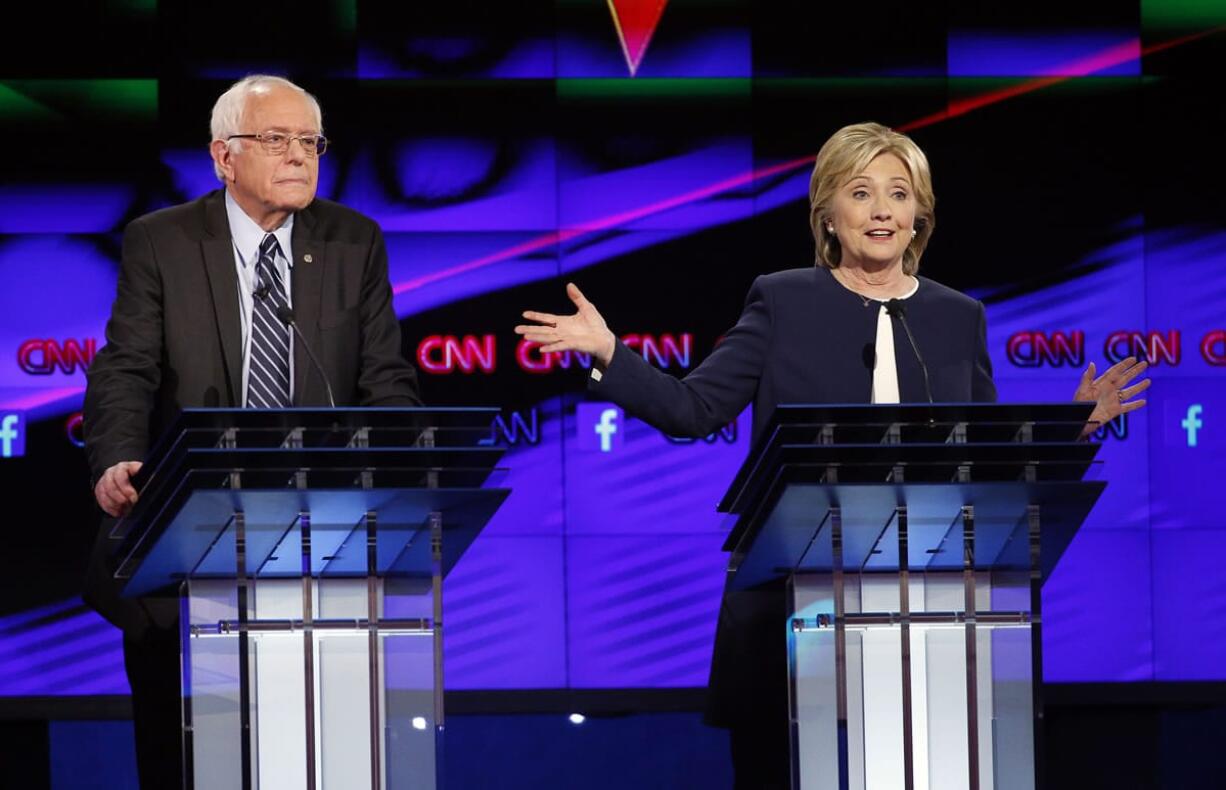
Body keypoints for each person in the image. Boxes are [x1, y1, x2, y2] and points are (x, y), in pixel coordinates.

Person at [516, 121, 1149, 788]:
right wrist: (610, 354)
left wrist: (1070, 428)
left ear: (919, 214)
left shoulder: (958, 316)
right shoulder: (784, 299)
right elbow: (693, 410)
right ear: (828, 214)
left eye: (899, 194)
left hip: (928, 601)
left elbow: (981, 461)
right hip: (791, 596)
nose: (882, 210)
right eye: (861, 192)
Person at [82, 74, 420, 787]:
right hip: (185, 543)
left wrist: (393, 481)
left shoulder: (353, 241)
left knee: (314, 764)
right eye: (276, 139)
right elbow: (126, 369)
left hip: (319, 547)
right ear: (222, 155)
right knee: (187, 766)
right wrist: (118, 458)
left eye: (310, 142)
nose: (299, 156)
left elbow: (386, 379)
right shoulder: (163, 241)